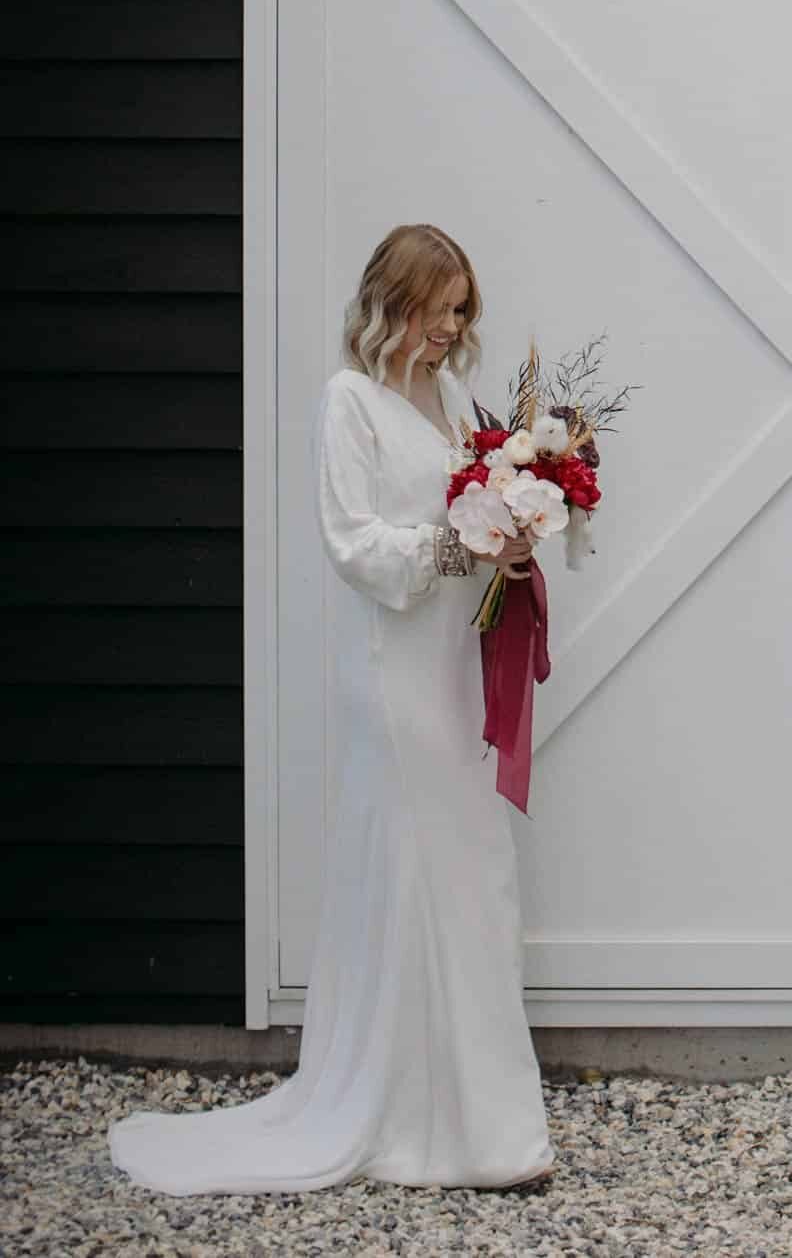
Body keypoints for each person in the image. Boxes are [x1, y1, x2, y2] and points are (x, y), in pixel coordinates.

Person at [110, 223, 556, 1196]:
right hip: (393, 676)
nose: (451, 331)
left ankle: (489, 1125)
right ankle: (415, 1121)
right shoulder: (346, 401)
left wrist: (511, 540)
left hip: (455, 665)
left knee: (474, 874)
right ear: (393, 301)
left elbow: (472, 513)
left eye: (460, 314)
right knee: (423, 873)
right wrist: (455, 551)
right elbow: (354, 545)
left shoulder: (449, 399)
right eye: (439, 311)